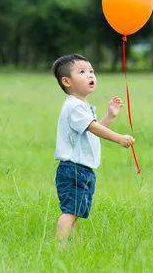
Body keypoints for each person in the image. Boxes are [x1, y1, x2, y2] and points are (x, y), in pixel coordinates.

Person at [51, 54, 135, 244]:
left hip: (83, 170)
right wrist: (118, 138)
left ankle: (69, 241)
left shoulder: (83, 106)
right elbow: (93, 127)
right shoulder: (74, 107)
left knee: (76, 210)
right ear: (67, 81)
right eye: (82, 72)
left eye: (91, 71)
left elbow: (90, 130)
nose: (90, 75)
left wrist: (109, 117)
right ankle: (60, 245)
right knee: (70, 211)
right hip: (73, 169)